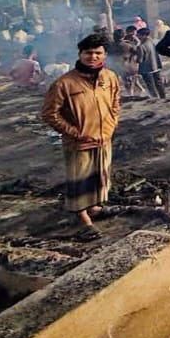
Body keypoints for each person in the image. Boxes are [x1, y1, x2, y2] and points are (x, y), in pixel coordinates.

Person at [41, 33, 122, 237]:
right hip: (79, 143)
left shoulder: (110, 77)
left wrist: (112, 124)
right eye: (88, 53)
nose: (93, 57)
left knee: (100, 176)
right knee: (80, 179)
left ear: (104, 54)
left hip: (103, 137)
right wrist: (74, 132)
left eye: (98, 53)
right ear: (80, 54)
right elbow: (50, 114)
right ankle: (82, 219)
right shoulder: (64, 84)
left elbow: (115, 102)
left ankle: (94, 208)